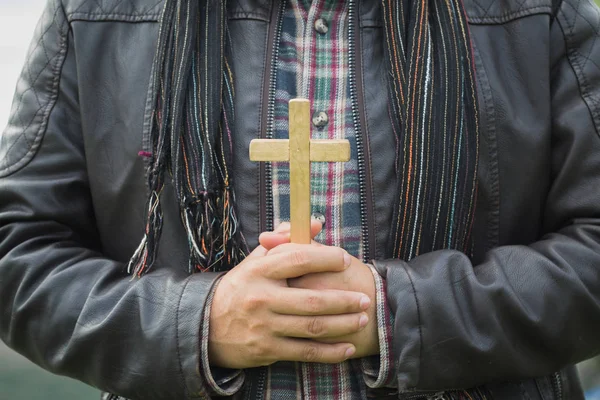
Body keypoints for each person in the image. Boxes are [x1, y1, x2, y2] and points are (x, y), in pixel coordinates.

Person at [1, 0, 600, 398]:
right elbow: (18, 253)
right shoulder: (97, 11)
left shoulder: (530, 10)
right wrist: (197, 325)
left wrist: (401, 314)